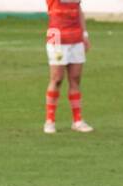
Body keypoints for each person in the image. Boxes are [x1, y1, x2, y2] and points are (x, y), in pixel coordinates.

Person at [43, 0, 92, 134]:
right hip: (56, 37)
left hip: (75, 37)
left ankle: (77, 121)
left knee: (75, 78)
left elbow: (79, 10)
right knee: (57, 78)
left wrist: (84, 34)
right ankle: (50, 120)